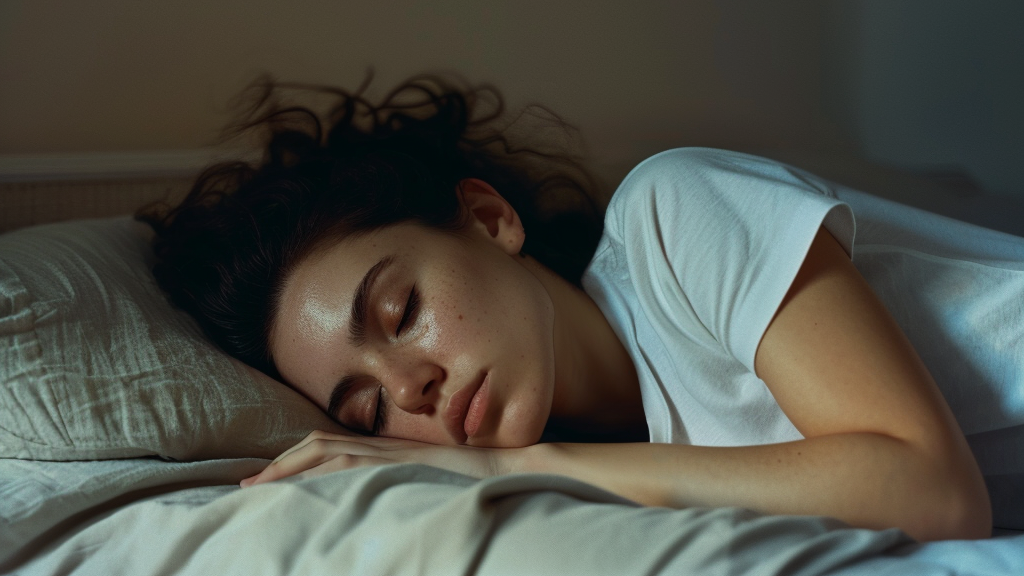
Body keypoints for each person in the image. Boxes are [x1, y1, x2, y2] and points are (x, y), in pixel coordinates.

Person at [138, 74, 1023, 542]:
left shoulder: (673, 212)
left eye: (402, 311)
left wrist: (491, 470)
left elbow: (932, 491)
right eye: (368, 408)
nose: (412, 389)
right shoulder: (613, 473)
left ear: (490, 220)